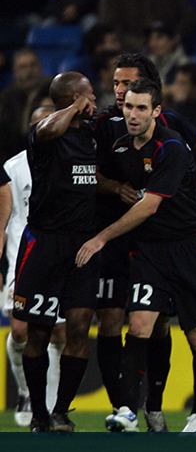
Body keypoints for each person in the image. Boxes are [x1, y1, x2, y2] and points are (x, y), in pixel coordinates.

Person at [91, 53, 196, 431]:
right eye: (125, 100)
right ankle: (130, 410)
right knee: (141, 325)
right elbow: (92, 174)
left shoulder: (173, 144)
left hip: (187, 247)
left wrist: (101, 237)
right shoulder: (114, 140)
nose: (129, 109)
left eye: (137, 104)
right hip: (148, 249)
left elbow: (150, 205)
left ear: (155, 108)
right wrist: (114, 187)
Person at [13, 72, 98, 432]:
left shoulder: (93, 136)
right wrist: (74, 107)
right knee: (38, 332)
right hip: (45, 244)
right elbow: (47, 129)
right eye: (88, 95)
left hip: (83, 246)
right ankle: (38, 413)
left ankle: (61, 410)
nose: (94, 100)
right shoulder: (44, 136)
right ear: (73, 99)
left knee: (79, 328)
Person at [2, 106, 67, 428]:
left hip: (58, 256)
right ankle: (27, 391)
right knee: (20, 329)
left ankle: (49, 402)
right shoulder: (13, 168)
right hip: (22, 256)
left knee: (59, 331)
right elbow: (6, 217)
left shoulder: (69, 162)